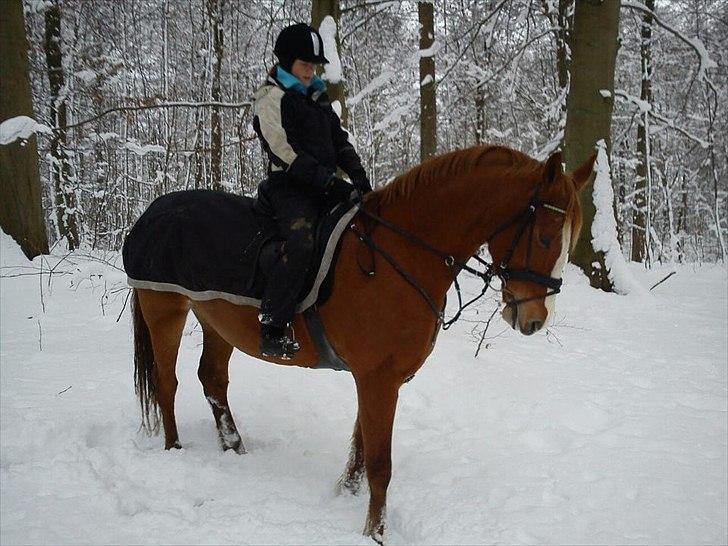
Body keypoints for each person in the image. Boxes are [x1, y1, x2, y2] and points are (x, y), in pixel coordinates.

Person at [252, 22, 372, 358]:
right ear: (288, 62)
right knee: (302, 243)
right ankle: (272, 325)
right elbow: (282, 150)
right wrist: (327, 180)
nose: (310, 72)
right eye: (305, 65)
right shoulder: (271, 98)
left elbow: (338, 140)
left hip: (323, 185)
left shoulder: (317, 95)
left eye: (314, 66)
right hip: (289, 188)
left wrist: (357, 175)